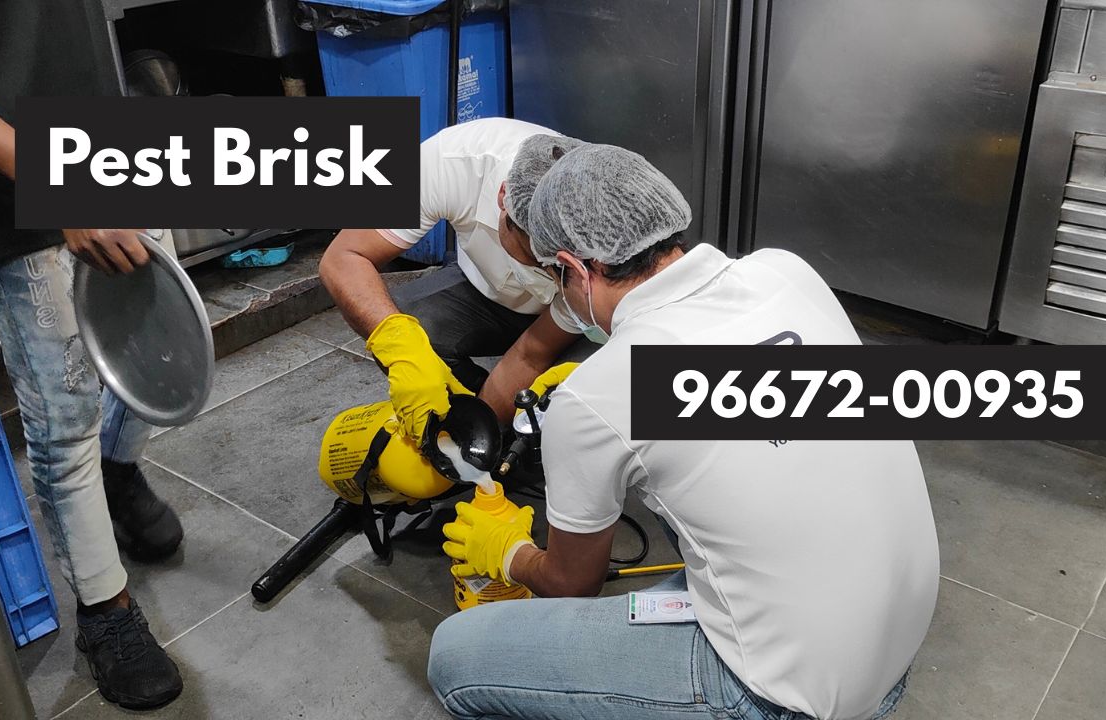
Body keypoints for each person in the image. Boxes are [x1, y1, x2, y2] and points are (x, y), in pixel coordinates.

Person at [428, 144, 940, 720]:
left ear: (576, 269)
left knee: (455, 655)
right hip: (892, 645)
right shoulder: (785, 270)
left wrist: (509, 552)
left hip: (784, 698)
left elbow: (571, 584)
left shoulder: (597, 397)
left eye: (555, 278)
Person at [0, 3, 183, 709]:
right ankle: (106, 611)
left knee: (160, 355)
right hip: (8, 176)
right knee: (65, 414)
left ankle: (116, 470)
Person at [319, 117, 588, 437]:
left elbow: (531, 354)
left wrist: (487, 430)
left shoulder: (603, 228)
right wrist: (403, 350)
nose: (545, 273)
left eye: (554, 266)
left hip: (583, 320)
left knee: (586, 400)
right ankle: (460, 419)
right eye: (534, 259)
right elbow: (342, 258)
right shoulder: (452, 162)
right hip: (485, 293)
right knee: (402, 322)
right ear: (503, 198)